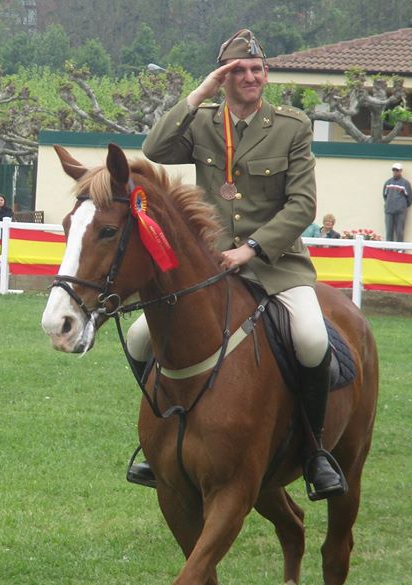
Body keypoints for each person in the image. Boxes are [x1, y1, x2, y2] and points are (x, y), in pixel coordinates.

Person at [131, 28, 345, 501]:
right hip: (210, 268)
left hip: (276, 264)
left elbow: (302, 205)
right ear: (223, 78)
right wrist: (199, 93)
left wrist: (251, 249)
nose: (250, 77)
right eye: (237, 71)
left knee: (310, 338)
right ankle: (161, 433)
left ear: (265, 73)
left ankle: (314, 451)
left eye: (256, 69)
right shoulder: (205, 121)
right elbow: (154, 149)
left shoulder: (291, 125)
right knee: (139, 337)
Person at [383, 162, 411, 243]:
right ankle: (389, 251)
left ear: (401, 171)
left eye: (397, 170)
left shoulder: (405, 183)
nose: (395, 172)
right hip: (389, 211)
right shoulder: (388, 183)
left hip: (400, 212)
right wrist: (389, 204)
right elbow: (385, 195)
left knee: (399, 232)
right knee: (389, 231)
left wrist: (402, 206)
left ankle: (400, 251)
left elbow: (409, 198)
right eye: (394, 170)